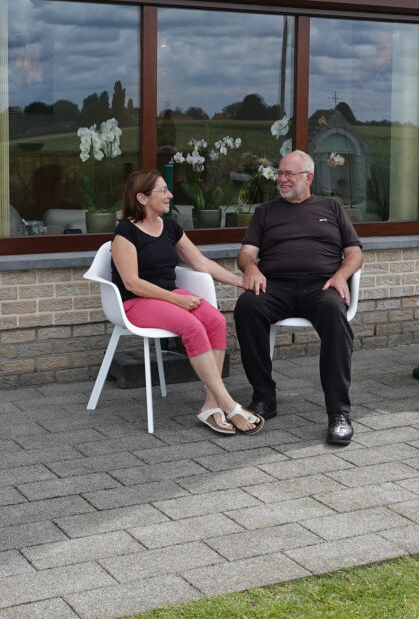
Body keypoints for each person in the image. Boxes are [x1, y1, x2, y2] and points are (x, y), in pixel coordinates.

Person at [110, 169, 264, 435]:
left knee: (216, 321)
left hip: (170, 296)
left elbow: (200, 262)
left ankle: (211, 405)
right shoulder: (125, 232)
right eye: (163, 191)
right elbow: (132, 283)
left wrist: (240, 281)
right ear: (142, 198)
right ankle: (229, 404)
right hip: (137, 302)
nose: (170, 195)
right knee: (192, 326)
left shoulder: (170, 227)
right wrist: (176, 300)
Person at [234, 150, 363, 445]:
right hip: (276, 287)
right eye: (280, 173)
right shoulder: (265, 212)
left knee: (334, 316)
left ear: (309, 177)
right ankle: (264, 397)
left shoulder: (331, 207)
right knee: (247, 306)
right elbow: (246, 254)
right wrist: (251, 268)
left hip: (322, 287)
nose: (282, 179)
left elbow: (354, 253)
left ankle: (339, 413)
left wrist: (341, 275)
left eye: (288, 174)